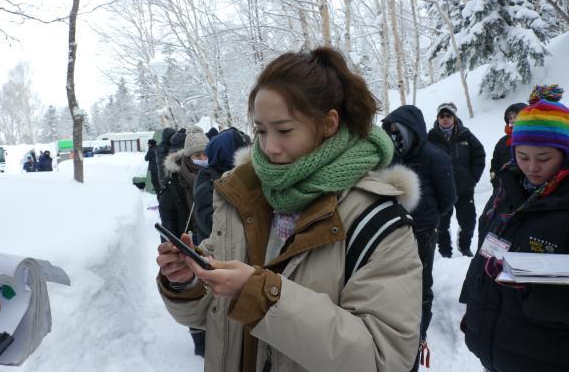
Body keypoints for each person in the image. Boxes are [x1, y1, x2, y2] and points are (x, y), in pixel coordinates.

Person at [156, 47, 423, 371]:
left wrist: (263, 296)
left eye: (284, 131)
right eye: (261, 130)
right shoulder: (243, 194)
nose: (269, 147)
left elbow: (383, 358)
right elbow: (215, 314)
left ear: (328, 123)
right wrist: (188, 280)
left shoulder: (377, 220)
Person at [459, 99, 569, 372]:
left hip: (545, 355)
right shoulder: (507, 189)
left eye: (544, 158)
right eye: (522, 156)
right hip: (494, 345)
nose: (531, 167)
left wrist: (528, 274)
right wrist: (475, 303)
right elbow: (485, 252)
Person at [382, 104, 456, 371]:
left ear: (411, 129)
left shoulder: (435, 157)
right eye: (389, 131)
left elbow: (448, 198)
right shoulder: (391, 156)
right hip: (394, 229)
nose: (394, 136)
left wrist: (429, 219)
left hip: (423, 231)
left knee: (421, 284)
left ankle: (418, 336)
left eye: (397, 130)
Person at [158, 125, 209, 356]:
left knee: (210, 287)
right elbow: (167, 217)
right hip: (186, 238)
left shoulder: (214, 176)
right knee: (190, 287)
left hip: (209, 237)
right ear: (188, 156)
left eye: (206, 154)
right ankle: (200, 340)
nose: (203, 159)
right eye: (198, 155)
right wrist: (174, 244)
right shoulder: (173, 182)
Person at [428, 102, 485, 258]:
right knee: (441, 225)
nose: (445, 119)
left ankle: (464, 246)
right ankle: (445, 251)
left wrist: (473, 178)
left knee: (468, 222)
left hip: (464, 189)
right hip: (441, 191)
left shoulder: (466, 136)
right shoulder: (430, 138)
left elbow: (479, 156)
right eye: (442, 116)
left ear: (454, 117)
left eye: (449, 115)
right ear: (437, 118)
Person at [489, 103, 527, 189]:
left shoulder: (534, 138)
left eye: (516, 117)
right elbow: (494, 168)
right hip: (506, 191)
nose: (513, 120)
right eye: (510, 118)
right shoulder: (502, 142)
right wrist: (496, 182)